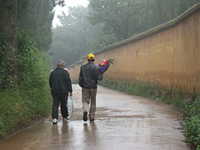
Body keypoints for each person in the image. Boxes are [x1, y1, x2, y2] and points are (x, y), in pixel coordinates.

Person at [79, 54, 103, 122]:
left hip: (85, 87)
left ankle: (85, 111)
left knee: (85, 101)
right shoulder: (96, 68)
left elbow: (80, 78)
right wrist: (101, 75)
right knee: (93, 102)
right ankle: (92, 117)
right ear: (94, 60)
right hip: (93, 87)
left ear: (87, 60)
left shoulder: (83, 67)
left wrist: (82, 85)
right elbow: (99, 78)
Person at [49, 60, 73, 124]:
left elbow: (50, 82)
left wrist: (52, 89)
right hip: (63, 92)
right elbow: (68, 82)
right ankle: (64, 117)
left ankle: (54, 118)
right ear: (63, 65)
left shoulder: (53, 73)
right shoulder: (65, 73)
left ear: (57, 66)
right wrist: (70, 91)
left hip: (55, 91)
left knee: (55, 104)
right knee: (63, 104)